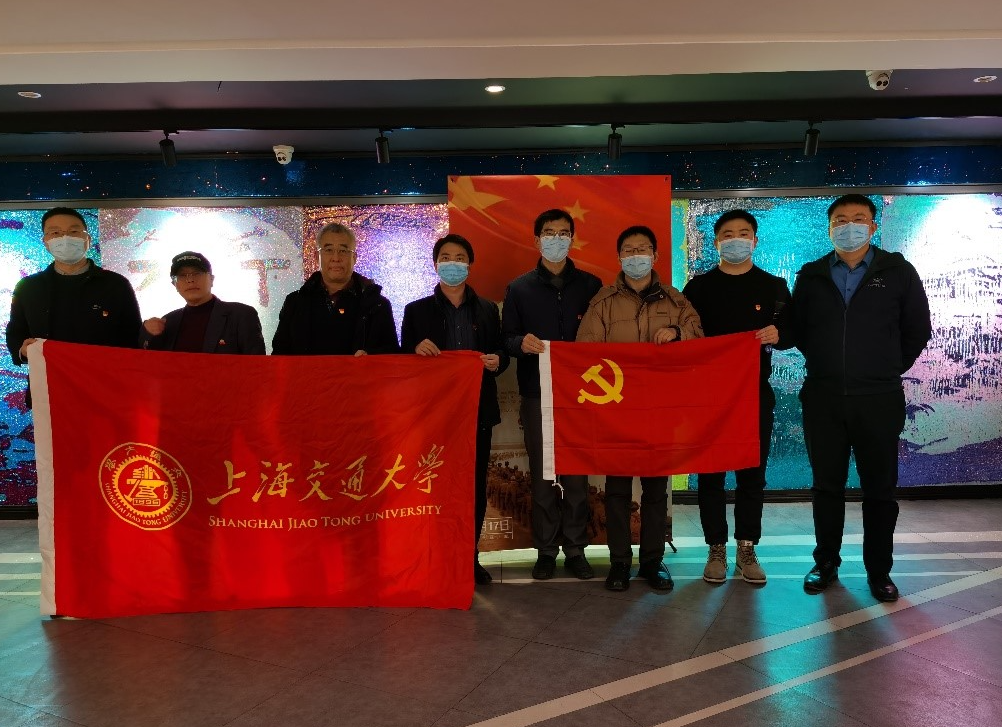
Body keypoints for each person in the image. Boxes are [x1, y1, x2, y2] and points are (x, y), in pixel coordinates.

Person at [792, 193, 931, 602]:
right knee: (826, 487)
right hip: (823, 398)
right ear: (829, 228)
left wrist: (886, 367)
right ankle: (825, 562)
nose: (849, 226)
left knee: (880, 491)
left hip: (879, 398)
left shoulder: (898, 272)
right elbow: (799, 330)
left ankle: (879, 571)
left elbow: (918, 329)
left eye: (858, 218)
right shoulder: (811, 275)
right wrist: (827, 363)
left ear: (873, 226)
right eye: (840, 220)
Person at [577, 225, 703, 591]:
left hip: (661, 411)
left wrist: (678, 334)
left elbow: (699, 339)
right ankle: (619, 562)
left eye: (643, 249)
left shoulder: (676, 301)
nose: (636, 256)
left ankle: (652, 561)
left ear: (655, 255)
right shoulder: (602, 302)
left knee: (656, 491)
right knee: (616, 492)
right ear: (619, 257)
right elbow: (584, 352)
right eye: (629, 250)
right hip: (617, 412)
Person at [682, 210, 793, 585]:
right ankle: (715, 548)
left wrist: (779, 335)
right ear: (716, 242)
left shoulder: (774, 286)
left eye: (743, 233)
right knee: (710, 475)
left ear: (755, 241)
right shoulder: (698, 288)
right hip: (708, 397)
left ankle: (747, 547)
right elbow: (684, 331)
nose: (736, 240)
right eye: (728, 234)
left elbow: (794, 330)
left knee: (752, 475)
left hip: (754, 395)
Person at [401, 234, 510, 585]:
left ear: (469, 264)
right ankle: (435, 554)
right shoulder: (416, 311)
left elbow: (501, 353)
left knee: (473, 485)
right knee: (435, 485)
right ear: (435, 264)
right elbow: (401, 362)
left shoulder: (488, 309)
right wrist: (414, 350)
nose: (453, 263)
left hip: (477, 411)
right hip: (434, 414)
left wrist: (497, 360)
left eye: (459, 257)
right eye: (445, 257)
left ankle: (469, 555)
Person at [501, 209, 602, 581]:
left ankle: (575, 549)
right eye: (549, 232)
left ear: (572, 238)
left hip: (582, 396)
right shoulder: (519, 288)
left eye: (563, 232)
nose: (556, 239)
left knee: (576, 477)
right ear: (536, 240)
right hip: (536, 393)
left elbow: (603, 337)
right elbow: (506, 338)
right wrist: (520, 343)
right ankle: (546, 550)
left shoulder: (592, 286)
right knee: (543, 477)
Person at [6, 207, 142, 405]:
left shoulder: (116, 284)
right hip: (48, 392)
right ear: (45, 241)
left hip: (105, 392)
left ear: (88, 239)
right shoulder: (28, 287)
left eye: (74, 231)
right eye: (55, 232)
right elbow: (15, 332)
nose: (65, 238)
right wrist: (23, 351)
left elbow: (132, 337)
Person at [272, 223, 398, 355]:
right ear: (316, 257)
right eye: (328, 250)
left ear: (354, 258)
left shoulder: (377, 304)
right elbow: (279, 356)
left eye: (343, 251)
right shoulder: (295, 303)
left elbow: (392, 355)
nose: (336, 258)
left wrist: (370, 356)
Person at [139, 251, 266, 354]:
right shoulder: (168, 321)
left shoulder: (242, 315)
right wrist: (147, 333)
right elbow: (149, 365)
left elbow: (257, 368)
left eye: (197, 273)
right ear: (175, 285)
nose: (190, 280)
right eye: (182, 275)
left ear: (211, 279)